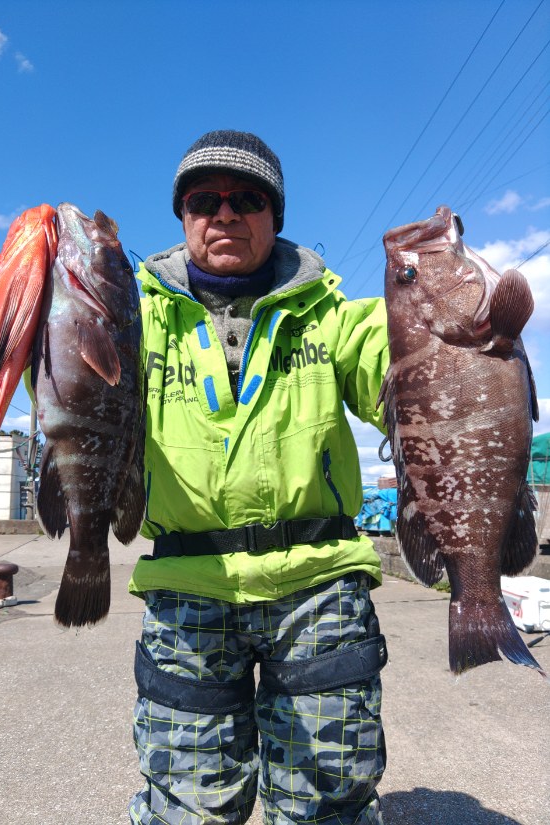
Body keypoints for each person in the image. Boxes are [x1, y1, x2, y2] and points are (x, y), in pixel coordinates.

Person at [128, 130, 390, 825]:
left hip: (318, 584)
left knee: (325, 800)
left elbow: (401, 372)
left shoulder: (333, 314)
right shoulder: (130, 316)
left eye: (246, 198)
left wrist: (460, 327)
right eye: (203, 200)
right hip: (186, 584)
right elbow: (66, 387)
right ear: (183, 216)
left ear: (275, 215)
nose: (224, 213)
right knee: (187, 803)